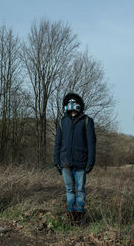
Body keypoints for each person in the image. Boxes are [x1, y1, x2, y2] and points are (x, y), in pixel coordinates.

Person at [54, 93, 96, 224]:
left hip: (81, 162)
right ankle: (71, 215)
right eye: (69, 103)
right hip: (65, 162)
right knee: (69, 189)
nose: (72, 105)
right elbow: (57, 143)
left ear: (79, 105)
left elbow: (91, 143)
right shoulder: (62, 122)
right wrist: (56, 161)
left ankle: (80, 215)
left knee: (80, 189)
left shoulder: (87, 121)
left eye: (74, 102)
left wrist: (91, 161)